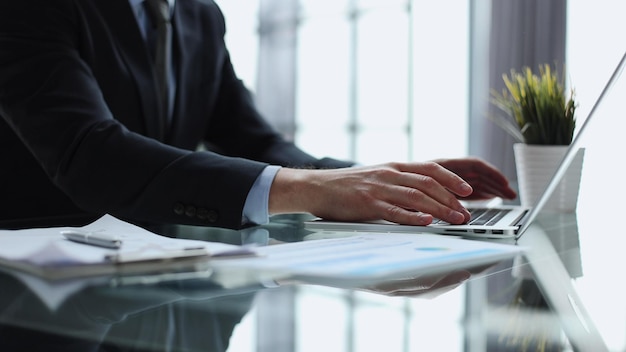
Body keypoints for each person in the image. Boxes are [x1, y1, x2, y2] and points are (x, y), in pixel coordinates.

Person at [0, 0, 516, 230]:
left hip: (161, 291)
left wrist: (372, 181)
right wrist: (312, 190)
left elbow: (255, 141)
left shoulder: (201, 14)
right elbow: (89, 151)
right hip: (39, 296)